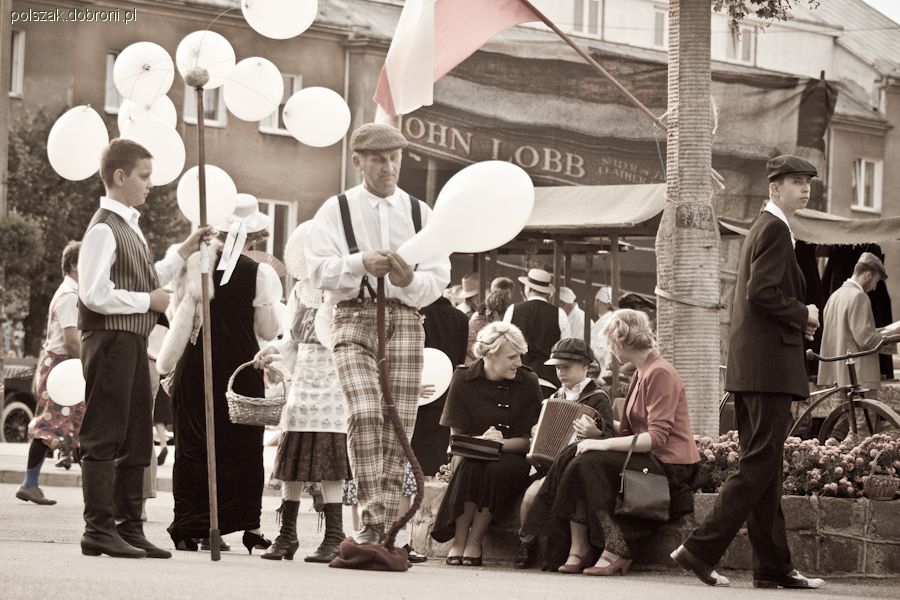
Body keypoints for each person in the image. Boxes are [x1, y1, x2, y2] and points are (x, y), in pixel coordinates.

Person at [672, 155, 825, 590]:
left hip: (758, 369)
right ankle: (699, 549)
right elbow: (762, 292)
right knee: (759, 466)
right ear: (775, 187)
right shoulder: (774, 229)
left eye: (808, 182)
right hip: (767, 371)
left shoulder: (768, 227)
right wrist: (804, 313)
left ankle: (773, 566)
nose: (805, 188)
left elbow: (760, 296)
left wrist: (795, 319)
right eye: (796, 182)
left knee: (766, 469)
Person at [305, 122, 451, 545]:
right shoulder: (336, 210)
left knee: (398, 423)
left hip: (405, 320)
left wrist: (409, 280)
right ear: (358, 162)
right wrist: (358, 263)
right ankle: (372, 518)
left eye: (394, 158)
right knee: (365, 412)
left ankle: (381, 526)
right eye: (378, 160)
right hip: (352, 316)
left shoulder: (421, 214)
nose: (388, 167)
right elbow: (316, 269)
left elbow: (439, 276)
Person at [77, 139, 208, 559]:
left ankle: (129, 526)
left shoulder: (128, 225)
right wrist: (146, 302)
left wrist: (184, 251)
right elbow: (93, 293)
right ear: (120, 176)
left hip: (131, 340)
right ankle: (98, 528)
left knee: (136, 435)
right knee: (104, 434)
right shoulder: (103, 228)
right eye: (144, 176)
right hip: (109, 340)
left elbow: (148, 276)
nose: (150, 185)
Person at [530, 310, 702, 575]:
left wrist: (602, 444)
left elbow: (657, 438)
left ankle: (616, 548)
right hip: (649, 457)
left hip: (671, 465)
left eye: (610, 343)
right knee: (578, 456)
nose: (609, 350)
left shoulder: (660, 373)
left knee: (585, 463)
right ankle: (581, 547)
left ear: (621, 342)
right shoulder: (642, 372)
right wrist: (599, 431)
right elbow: (631, 430)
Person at [158, 194, 281, 553]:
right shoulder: (259, 273)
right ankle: (247, 526)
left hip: (195, 365)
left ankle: (191, 525)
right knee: (242, 449)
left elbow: (175, 316)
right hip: (239, 371)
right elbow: (268, 329)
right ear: (252, 237)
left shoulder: (192, 263)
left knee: (193, 446)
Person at [253, 222, 352, 563]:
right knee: (293, 456)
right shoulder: (298, 291)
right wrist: (272, 351)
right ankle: (287, 536)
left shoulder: (347, 289)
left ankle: (334, 536)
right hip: (303, 382)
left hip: (335, 380)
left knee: (331, 458)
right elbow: (292, 341)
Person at [429, 322, 542, 566]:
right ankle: (459, 540)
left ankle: (475, 540)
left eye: (520, 356)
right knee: (470, 466)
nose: (518, 363)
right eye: (512, 357)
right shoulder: (463, 378)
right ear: (490, 354)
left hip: (511, 455)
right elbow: (456, 438)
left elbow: (530, 441)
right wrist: (481, 442)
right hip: (468, 453)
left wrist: (499, 444)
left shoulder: (529, 381)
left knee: (495, 469)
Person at [514, 337, 615, 570]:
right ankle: (527, 544)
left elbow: (610, 435)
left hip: (581, 467)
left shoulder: (598, 397)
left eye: (566, 367)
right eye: (557, 367)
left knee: (564, 490)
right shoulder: (554, 398)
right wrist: (537, 432)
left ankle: (575, 550)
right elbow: (543, 434)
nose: (560, 373)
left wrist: (596, 433)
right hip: (551, 467)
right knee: (529, 497)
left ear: (585, 366)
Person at [17, 241, 83, 506]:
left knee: (72, 423)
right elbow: (71, 340)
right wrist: (90, 363)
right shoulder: (69, 295)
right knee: (49, 425)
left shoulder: (71, 292)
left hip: (61, 365)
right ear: (75, 264)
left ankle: (32, 483)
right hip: (62, 365)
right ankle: (29, 484)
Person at [818, 252, 892, 391]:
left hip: (837, 377)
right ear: (868, 275)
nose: (874, 287)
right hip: (857, 379)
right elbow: (866, 340)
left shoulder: (835, 296)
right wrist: (892, 335)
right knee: (863, 408)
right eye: (876, 281)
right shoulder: (859, 297)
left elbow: (846, 334)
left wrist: (881, 331)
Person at [413, 294, 470, 475]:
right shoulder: (461, 318)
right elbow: (460, 358)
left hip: (418, 390)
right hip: (447, 391)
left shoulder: (416, 313)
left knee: (416, 452)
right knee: (438, 451)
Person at [503, 268, 569, 392]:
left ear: (528, 289)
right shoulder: (560, 314)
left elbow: (504, 344)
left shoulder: (513, 310)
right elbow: (565, 351)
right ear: (547, 293)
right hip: (549, 381)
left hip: (517, 378)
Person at [466, 286, 514, 365]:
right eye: (500, 314)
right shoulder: (479, 322)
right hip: (476, 363)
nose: (501, 317)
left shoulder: (479, 318)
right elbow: (472, 349)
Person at [590, 286, 615, 375]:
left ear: (598, 302)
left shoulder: (605, 323)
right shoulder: (609, 319)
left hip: (602, 371)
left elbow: (597, 352)